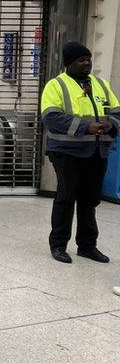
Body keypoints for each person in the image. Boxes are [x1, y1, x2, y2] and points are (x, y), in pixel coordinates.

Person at [40, 41, 120, 264]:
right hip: (67, 152)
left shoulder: (101, 85)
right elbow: (52, 118)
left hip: (97, 151)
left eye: (88, 59)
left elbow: (116, 112)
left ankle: (87, 246)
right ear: (69, 63)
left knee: (90, 200)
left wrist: (111, 125)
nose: (87, 63)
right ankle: (58, 245)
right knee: (66, 198)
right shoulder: (56, 86)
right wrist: (87, 127)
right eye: (81, 60)